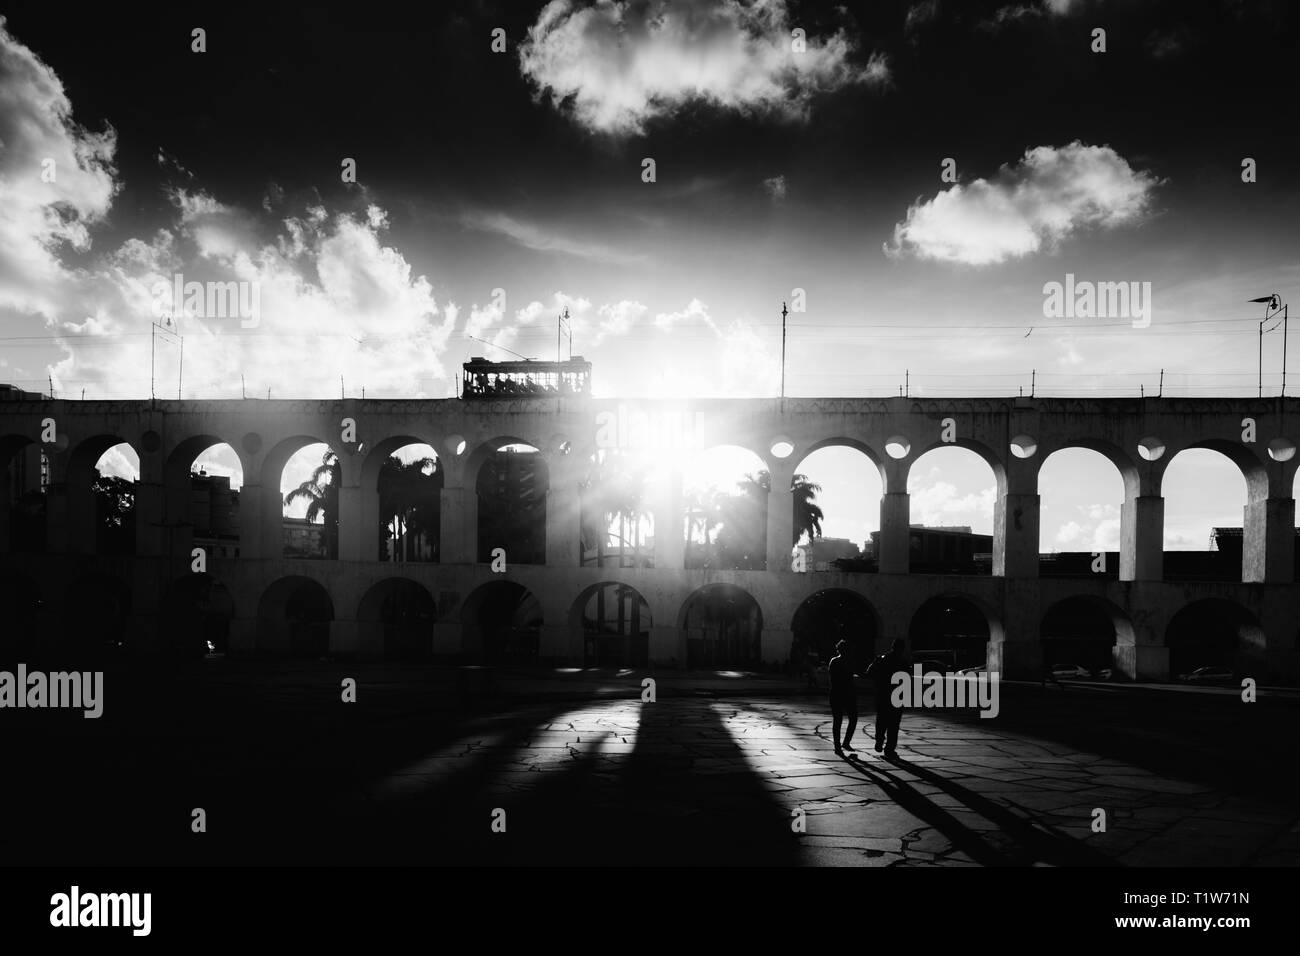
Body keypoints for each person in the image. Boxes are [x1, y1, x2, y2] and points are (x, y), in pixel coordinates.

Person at [866, 638, 908, 757]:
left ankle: (879, 740)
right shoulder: (903, 662)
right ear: (902, 649)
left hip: (882, 694)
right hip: (896, 696)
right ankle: (889, 749)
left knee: (881, 721)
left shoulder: (881, 659)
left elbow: (869, 672)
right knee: (894, 725)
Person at [828, 639, 857, 754]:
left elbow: (832, 679)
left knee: (838, 721)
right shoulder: (848, 662)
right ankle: (844, 743)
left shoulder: (834, 661)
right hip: (846, 693)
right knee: (852, 718)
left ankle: (838, 746)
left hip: (836, 693)